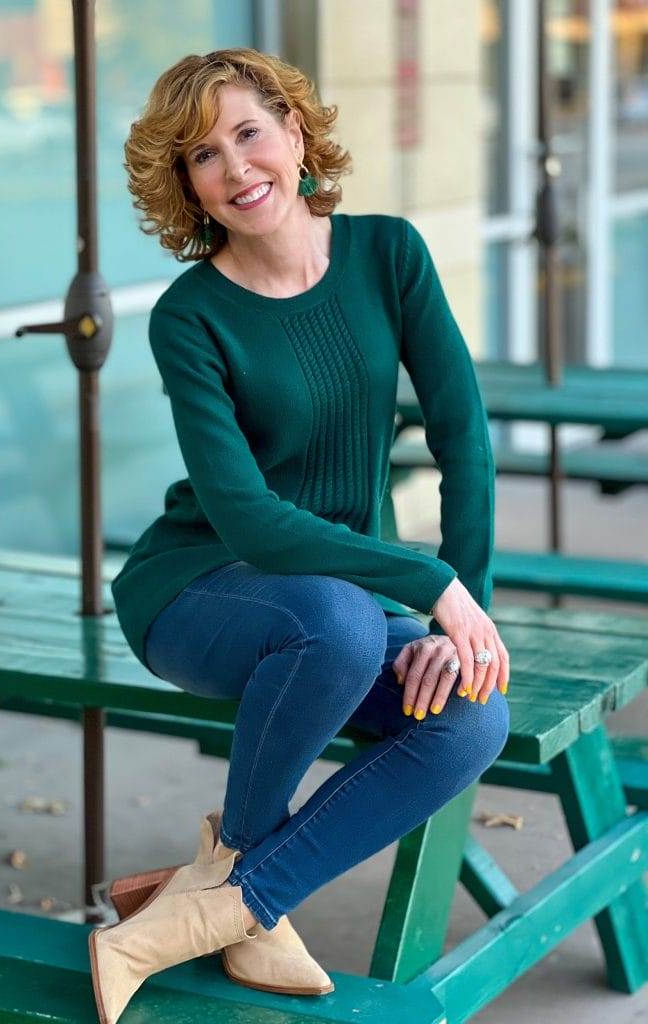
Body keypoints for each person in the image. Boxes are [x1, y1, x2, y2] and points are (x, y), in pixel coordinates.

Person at [89, 47, 510, 1024]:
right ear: (185, 186)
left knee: (472, 713)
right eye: (202, 155)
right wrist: (428, 576)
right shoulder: (190, 316)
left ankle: (227, 895)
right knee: (341, 620)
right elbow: (246, 520)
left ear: (294, 132)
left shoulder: (388, 253)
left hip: (340, 601)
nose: (235, 169)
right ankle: (236, 892)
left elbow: (463, 434)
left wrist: (462, 611)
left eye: (248, 133)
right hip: (201, 586)